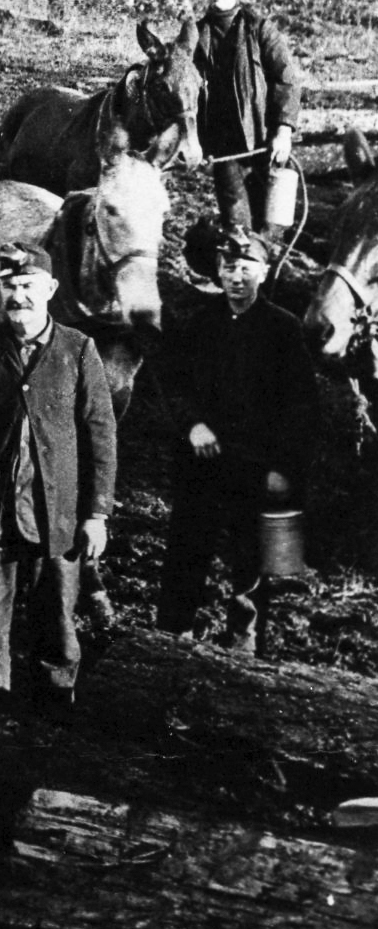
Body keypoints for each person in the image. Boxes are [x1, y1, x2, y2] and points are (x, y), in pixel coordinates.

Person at [0, 242, 117, 722]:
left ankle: (55, 706)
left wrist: (97, 514)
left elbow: (101, 435)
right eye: (11, 287)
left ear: (50, 290)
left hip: (57, 512)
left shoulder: (78, 350)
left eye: (28, 286)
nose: (19, 296)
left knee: (57, 616)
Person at [157, 228, 320, 655]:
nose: (237, 277)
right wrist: (192, 424)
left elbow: (302, 406)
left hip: (255, 468)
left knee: (251, 563)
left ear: (263, 273)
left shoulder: (283, 330)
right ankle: (171, 641)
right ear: (218, 271)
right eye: (229, 267)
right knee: (185, 552)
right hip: (201, 464)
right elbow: (174, 383)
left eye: (247, 267)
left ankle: (244, 652)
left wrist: (281, 468)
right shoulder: (200, 321)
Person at [193, 0, 305, 243]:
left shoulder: (259, 28)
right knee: (237, 224)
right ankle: (239, 282)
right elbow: (185, 91)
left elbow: (286, 79)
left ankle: (268, 280)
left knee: (270, 223)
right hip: (224, 148)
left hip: (263, 142)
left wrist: (283, 131)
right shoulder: (196, 34)